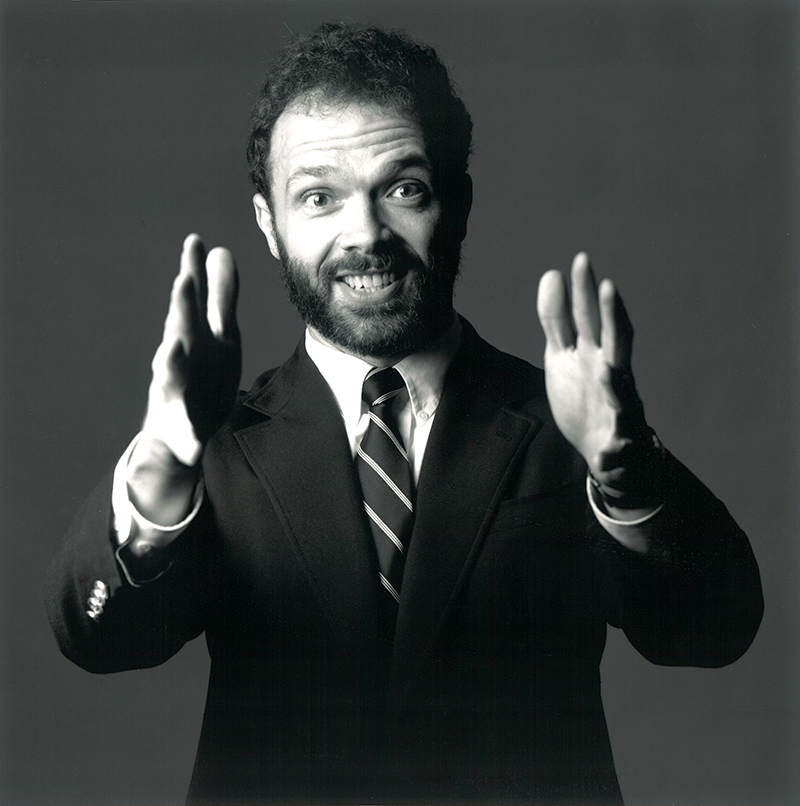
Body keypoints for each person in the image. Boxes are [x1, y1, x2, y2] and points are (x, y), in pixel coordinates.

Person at [45, 22, 763, 806]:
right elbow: (100, 639)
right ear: (268, 225)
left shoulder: (572, 426)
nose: (365, 235)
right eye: (319, 196)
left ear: (454, 201)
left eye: (402, 187)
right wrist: (160, 458)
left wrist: (627, 471)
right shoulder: (209, 441)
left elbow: (712, 631)